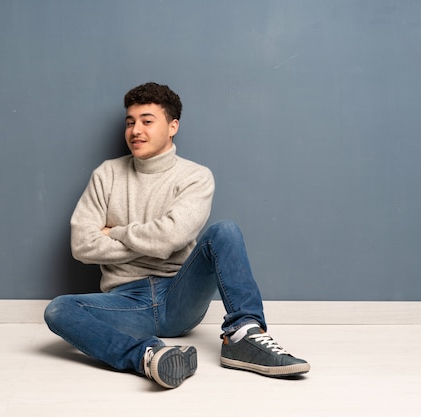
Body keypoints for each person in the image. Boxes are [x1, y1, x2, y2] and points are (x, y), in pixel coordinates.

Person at [44, 82, 310, 389]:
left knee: (225, 232)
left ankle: (243, 336)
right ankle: (148, 357)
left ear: (172, 126)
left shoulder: (195, 177)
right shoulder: (107, 174)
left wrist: (115, 232)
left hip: (181, 293)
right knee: (58, 310)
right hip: (128, 302)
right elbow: (82, 245)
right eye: (130, 122)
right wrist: (157, 243)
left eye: (146, 121)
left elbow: (170, 239)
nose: (135, 130)